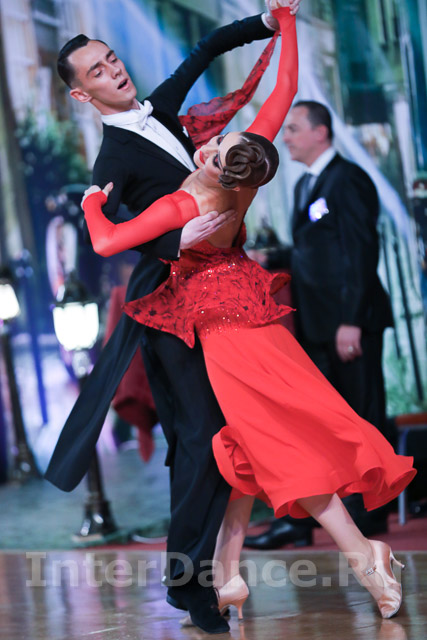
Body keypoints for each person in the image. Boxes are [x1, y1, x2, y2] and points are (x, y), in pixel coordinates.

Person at [81, 5, 415, 623]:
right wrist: (281, 23)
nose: (207, 135)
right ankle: (237, 569)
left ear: (214, 161)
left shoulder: (185, 202)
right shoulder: (243, 179)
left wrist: (92, 206)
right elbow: (282, 90)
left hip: (223, 334)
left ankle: (350, 557)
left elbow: (105, 242)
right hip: (255, 318)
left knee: (260, 444)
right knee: (251, 442)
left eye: (215, 142)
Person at [45, 2, 302, 634]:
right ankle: (192, 586)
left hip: (220, 291)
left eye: (112, 59)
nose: (114, 70)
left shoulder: (159, 109)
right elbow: (109, 232)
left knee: (218, 433)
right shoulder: (112, 159)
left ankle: (200, 576)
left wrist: (268, 23)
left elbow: (205, 50)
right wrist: (172, 242)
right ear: (82, 95)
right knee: (203, 436)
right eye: (97, 71)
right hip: (169, 306)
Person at [245, 100, 395, 550]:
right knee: (334, 421)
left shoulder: (347, 179)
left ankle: (373, 512)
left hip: (349, 323)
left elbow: (361, 252)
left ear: (321, 132)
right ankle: (341, 510)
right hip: (317, 324)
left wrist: (352, 321)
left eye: (293, 129)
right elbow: (316, 250)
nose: (286, 137)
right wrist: (274, 258)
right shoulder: (306, 184)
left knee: (364, 415)